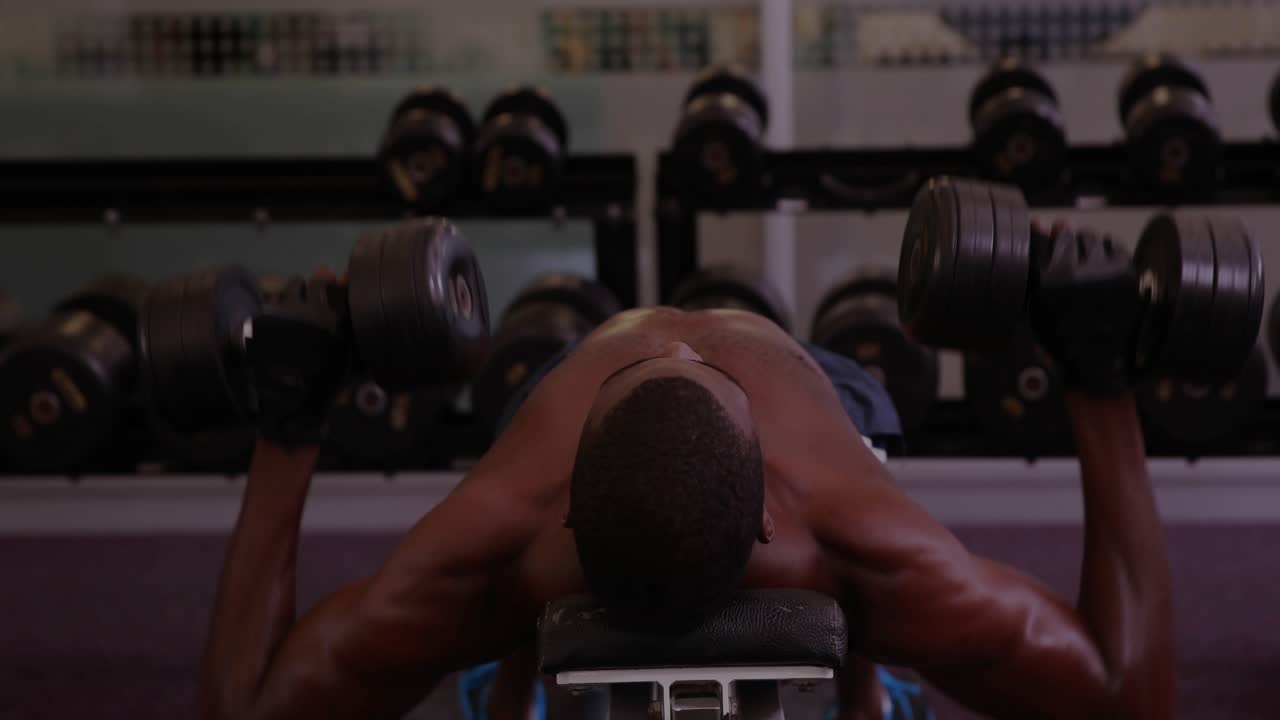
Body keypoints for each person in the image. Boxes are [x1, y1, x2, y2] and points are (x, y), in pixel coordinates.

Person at [197, 227, 1175, 720]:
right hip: (779, 414)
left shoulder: (488, 547)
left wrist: (290, 427)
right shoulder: (858, 539)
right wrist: (1099, 384)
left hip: (716, 398)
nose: (679, 349)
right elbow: (1124, 690)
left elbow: (246, 704)